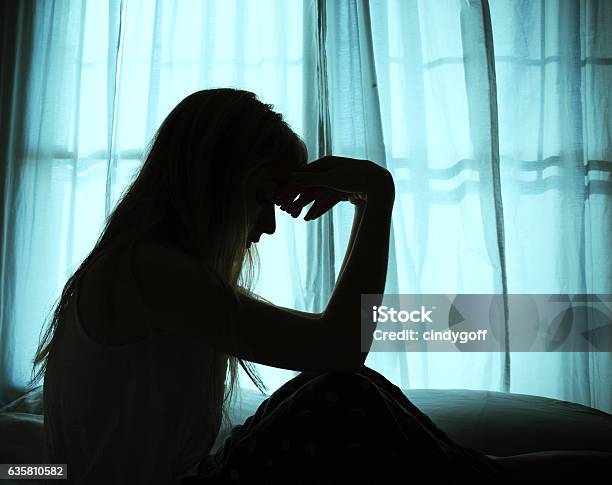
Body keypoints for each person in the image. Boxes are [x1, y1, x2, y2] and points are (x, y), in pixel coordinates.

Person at [31, 88, 510, 484]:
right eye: (262, 197)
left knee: (345, 389)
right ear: (214, 182)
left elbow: (336, 355)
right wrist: (375, 197)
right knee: (339, 396)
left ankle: (480, 474)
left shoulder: (142, 267)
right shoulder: (151, 272)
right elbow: (340, 346)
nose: (268, 226)